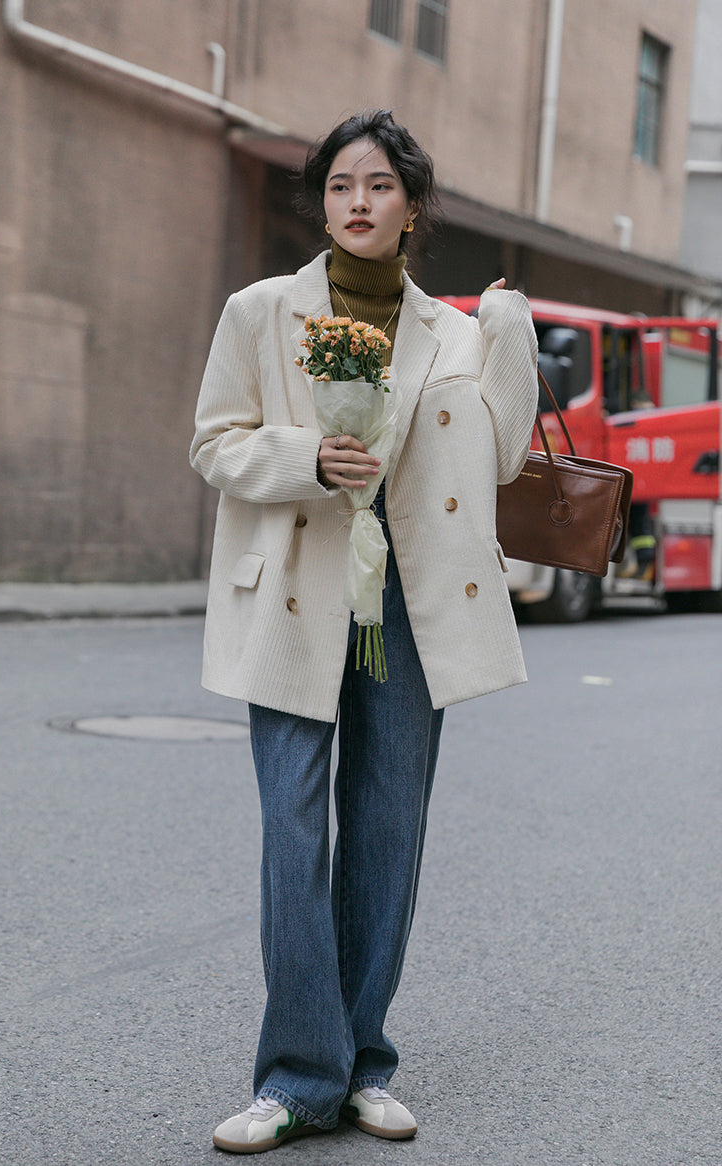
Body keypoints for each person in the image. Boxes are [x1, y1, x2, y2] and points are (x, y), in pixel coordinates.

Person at [190, 110, 538, 1154]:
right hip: (292, 587)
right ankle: (297, 1074)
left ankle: (362, 1061)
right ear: (322, 199)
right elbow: (213, 442)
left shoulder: (461, 333)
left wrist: (509, 335)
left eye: (377, 185)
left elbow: (509, 457)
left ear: (411, 205)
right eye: (340, 183)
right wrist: (305, 456)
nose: (356, 201)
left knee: (387, 831)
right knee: (292, 829)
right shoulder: (259, 311)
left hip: (408, 601)